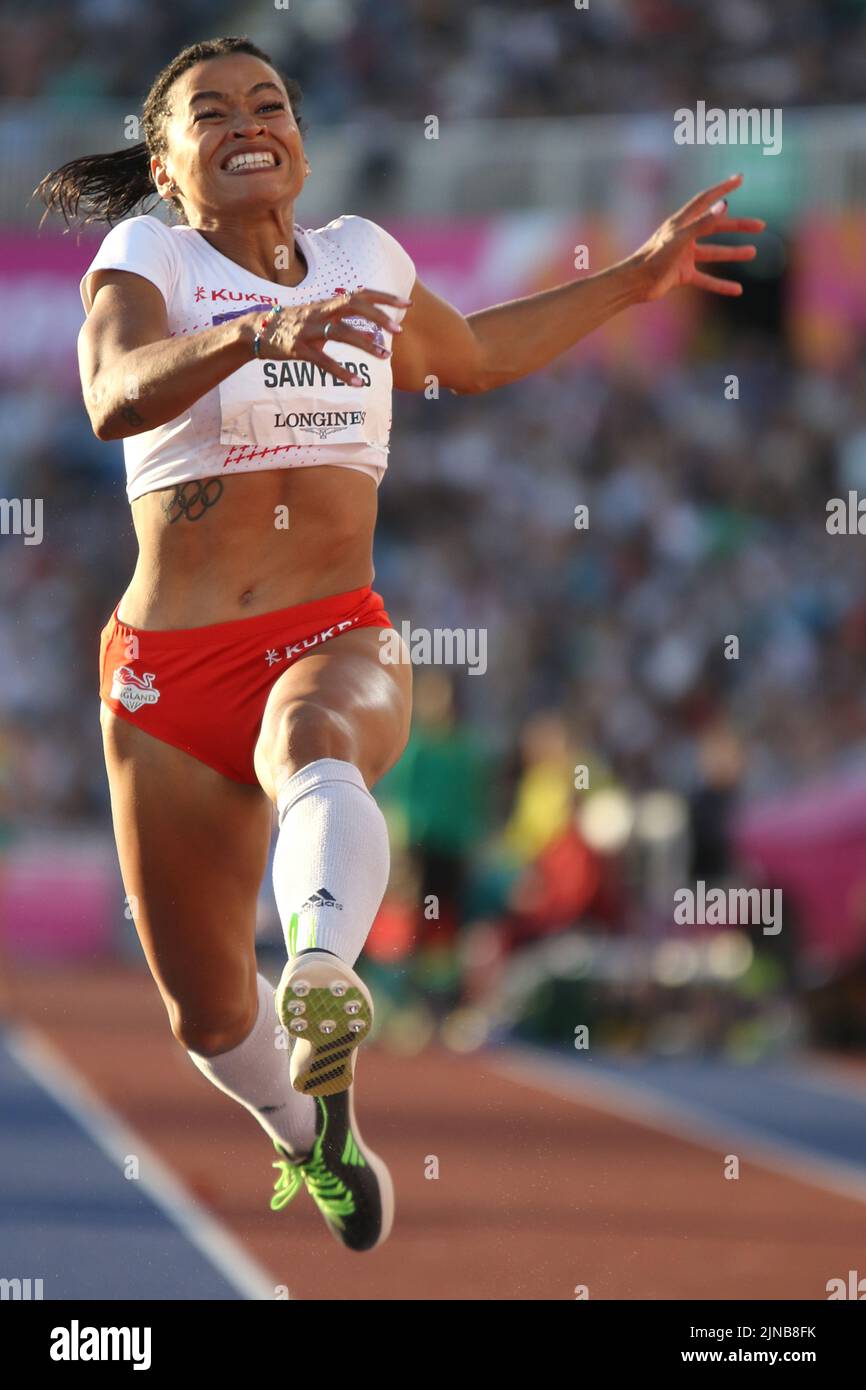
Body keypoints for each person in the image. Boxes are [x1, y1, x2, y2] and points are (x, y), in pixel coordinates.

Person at [37, 34, 763, 1254]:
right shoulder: (145, 255)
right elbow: (112, 393)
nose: (247, 120)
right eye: (210, 112)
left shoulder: (363, 258)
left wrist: (629, 280)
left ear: (305, 141)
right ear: (166, 167)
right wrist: (253, 339)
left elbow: (472, 354)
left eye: (268, 100)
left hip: (329, 628)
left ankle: (322, 971)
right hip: (169, 674)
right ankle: (305, 1129)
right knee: (205, 1015)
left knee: (319, 739)